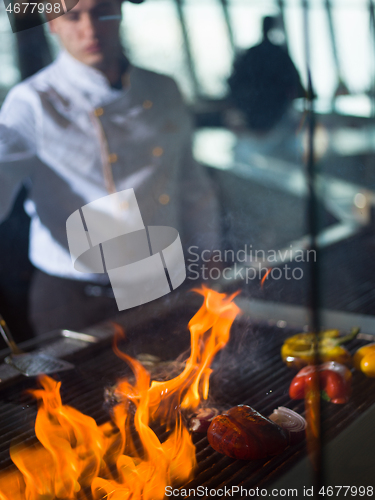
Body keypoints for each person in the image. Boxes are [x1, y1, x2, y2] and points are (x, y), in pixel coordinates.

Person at [0, 0, 219, 335]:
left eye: (101, 11)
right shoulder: (31, 101)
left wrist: (210, 254)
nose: (90, 29)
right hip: (74, 297)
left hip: (162, 281)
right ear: (52, 22)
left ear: (119, 12)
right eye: (73, 16)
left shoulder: (163, 89)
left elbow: (191, 184)